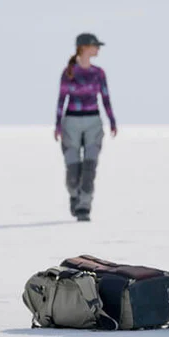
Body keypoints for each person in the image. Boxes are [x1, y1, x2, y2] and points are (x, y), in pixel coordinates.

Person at [54, 33, 117, 221]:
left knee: (90, 166)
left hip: (93, 122)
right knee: (73, 169)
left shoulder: (99, 73)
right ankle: (75, 195)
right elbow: (61, 99)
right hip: (71, 122)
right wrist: (58, 125)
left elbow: (105, 97)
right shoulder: (69, 72)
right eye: (94, 45)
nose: (98, 49)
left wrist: (112, 120)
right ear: (83, 48)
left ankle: (84, 206)